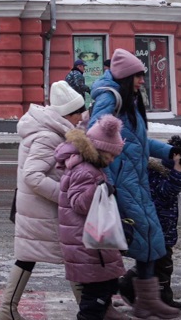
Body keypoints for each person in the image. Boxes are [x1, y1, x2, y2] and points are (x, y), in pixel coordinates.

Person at [89, 48, 181, 320]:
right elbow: (95, 136)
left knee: (151, 239)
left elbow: (138, 142)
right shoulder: (110, 98)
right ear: (125, 77)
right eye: (138, 76)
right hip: (120, 185)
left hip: (136, 182)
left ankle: (146, 301)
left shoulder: (127, 100)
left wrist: (168, 152)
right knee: (114, 247)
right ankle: (106, 304)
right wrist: (112, 170)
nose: (142, 81)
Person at [0, 80, 88, 320]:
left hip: (39, 208)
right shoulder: (49, 137)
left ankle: (7, 310)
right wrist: (65, 196)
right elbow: (32, 175)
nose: (82, 118)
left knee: (31, 257)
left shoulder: (51, 131)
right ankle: (89, 311)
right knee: (70, 255)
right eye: (79, 113)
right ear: (68, 113)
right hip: (44, 209)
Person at [55, 114, 127, 320]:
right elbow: (79, 203)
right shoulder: (86, 171)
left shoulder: (89, 168)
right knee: (93, 303)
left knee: (102, 292)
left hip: (90, 246)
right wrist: (99, 189)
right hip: (88, 248)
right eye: (111, 155)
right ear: (99, 149)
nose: (113, 159)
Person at [118, 135, 181, 311]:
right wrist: (177, 169)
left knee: (151, 264)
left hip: (160, 228)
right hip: (159, 230)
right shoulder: (159, 175)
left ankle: (127, 285)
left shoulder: (156, 172)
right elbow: (168, 192)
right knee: (163, 266)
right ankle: (163, 298)